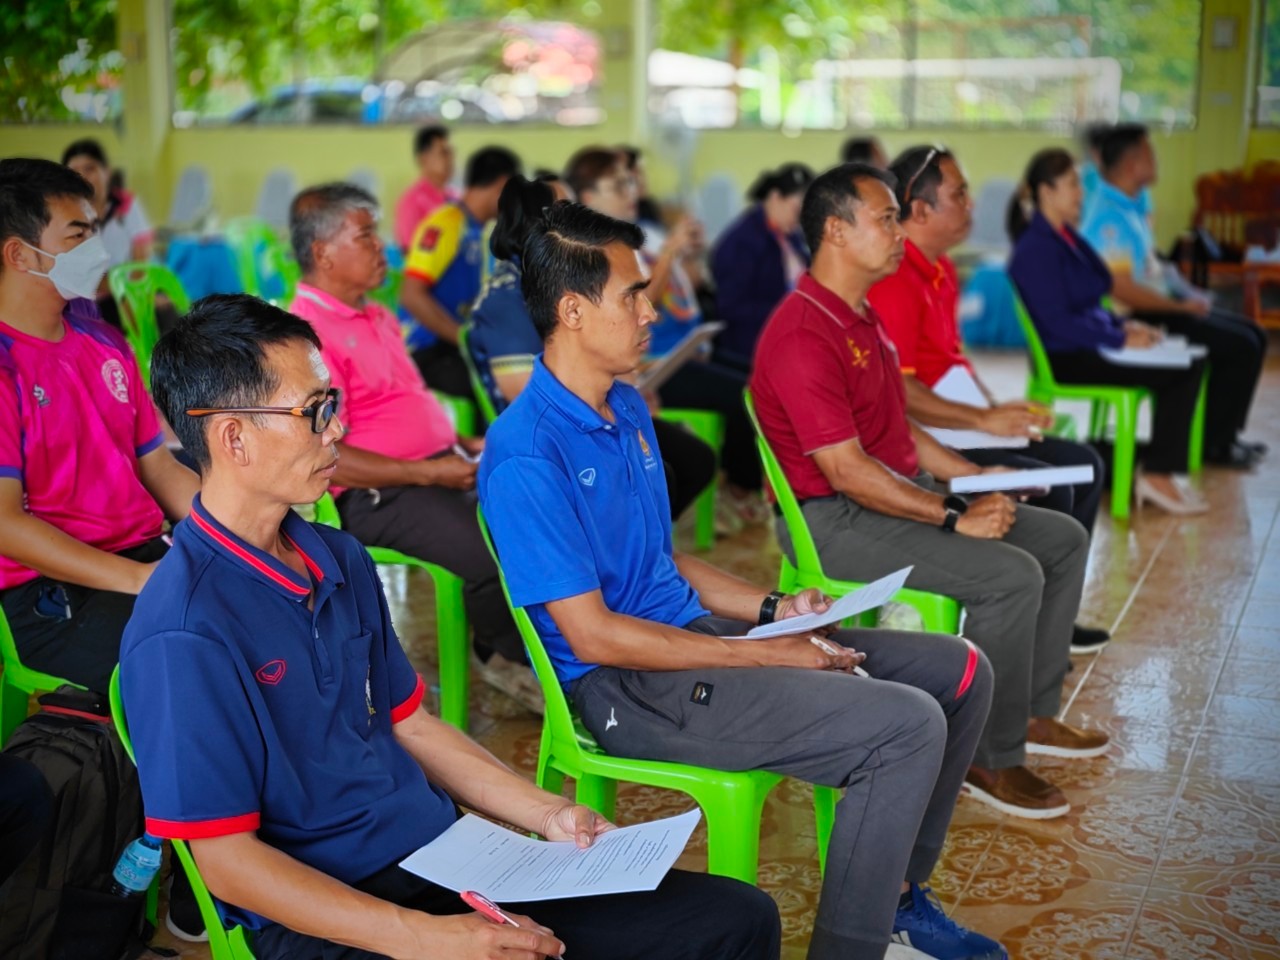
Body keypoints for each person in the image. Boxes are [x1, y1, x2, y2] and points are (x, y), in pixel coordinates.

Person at [124, 292, 780, 960]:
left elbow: (411, 724)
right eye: (314, 410)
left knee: (736, 918)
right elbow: (227, 863)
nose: (337, 429)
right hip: (334, 914)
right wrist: (428, 939)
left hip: (442, 860)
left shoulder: (338, 557)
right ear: (233, 437)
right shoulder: (184, 629)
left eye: (333, 404)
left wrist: (549, 813)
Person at [478, 200, 1006, 960]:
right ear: (572, 311)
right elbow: (593, 635)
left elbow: (659, 562)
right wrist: (760, 653)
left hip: (695, 641)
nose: (652, 310)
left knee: (959, 672)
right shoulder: (528, 453)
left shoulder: (623, 407)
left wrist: (776, 609)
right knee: (905, 724)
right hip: (627, 685)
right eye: (633, 294)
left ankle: (895, 899)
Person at [751, 163, 1109, 821]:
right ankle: (988, 757)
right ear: (836, 231)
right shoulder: (804, 332)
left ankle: (1029, 713)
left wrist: (972, 477)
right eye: (886, 218)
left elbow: (901, 429)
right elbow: (847, 471)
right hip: (835, 520)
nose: (899, 233)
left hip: (889, 494)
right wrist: (951, 512)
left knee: (1061, 539)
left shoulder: (860, 316)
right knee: (1010, 577)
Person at [287, 182, 534, 706]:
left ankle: (545, 645)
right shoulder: (308, 336)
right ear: (323, 253)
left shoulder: (376, 315)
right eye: (366, 236)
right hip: (375, 494)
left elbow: (404, 405)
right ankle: (507, 658)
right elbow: (326, 457)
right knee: (493, 550)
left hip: (433, 470)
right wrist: (430, 472)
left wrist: (460, 443)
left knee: (537, 515)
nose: (383, 247)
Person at [868, 145, 1112, 654]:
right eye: (959, 194)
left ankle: (1054, 623)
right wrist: (983, 418)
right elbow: (900, 393)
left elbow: (949, 363)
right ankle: (1028, 633)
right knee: (1051, 487)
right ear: (920, 210)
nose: (972, 204)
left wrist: (996, 411)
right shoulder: (896, 279)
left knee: (1085, 465)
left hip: (955, 426)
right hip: (924, 440)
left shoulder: (938, 270)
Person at [0, 158, 198, 694]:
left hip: (144, 559)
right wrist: (140, 581)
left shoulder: (105, 344)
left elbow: (159, 467)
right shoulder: (5, 366)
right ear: (20, 255)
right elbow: (5, 524)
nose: (99, 250)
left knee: (271, 614)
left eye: (95, 229)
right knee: (199, 664)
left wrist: (236, 525)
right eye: (78, 235)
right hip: (54, 594)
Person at [467, 174, 717, 522]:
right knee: (661, 474)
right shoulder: (508, 296)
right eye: (565, 211)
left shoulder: (555, 280)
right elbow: (525, 391)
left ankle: (633, 543)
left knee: (691, 461)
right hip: (558, 429)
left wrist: (624, 390)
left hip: (593, 411)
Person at [567, 146, 766, 529]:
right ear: (588, 197)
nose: (632, 192)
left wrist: (682, 254)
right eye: (619, 185)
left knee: (759, 379)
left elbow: (689, 285)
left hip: (679, 350)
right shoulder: (593, 253)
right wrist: (670, 252)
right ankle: (737, 491)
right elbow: (638, 310)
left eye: (631, 183)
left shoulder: (634, 236)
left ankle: (741, 487)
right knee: (743, 395)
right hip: (649, 363)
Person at [1008, 148, 1208, 514]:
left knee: (1187, 362)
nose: (1080, 192)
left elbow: (1089, 301)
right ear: (1047, 192)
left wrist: (1122, 324)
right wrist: (1119, 338)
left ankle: (1154, 469)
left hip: (1088, 343)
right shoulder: (1035, 248)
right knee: (1181, 372)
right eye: (1072, 184)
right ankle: (1156, 475)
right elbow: (1058, 321)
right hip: (1068, 357)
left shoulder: (1066, 237)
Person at [1080, 123, 1266, 468]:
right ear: (1132, 164)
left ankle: (1224, 437)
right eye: (1150, 154)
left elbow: (1156, 268)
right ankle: (1214, 444)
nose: (1157, 161)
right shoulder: (1109, 217)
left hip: (1160, 308)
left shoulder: (1131, 207)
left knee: (1253, 334)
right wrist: (1179, 306)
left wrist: (1191, 295)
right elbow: (1122, 289)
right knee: (1240, 346)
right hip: (1137, 318)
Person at [400, 145, 521, 400]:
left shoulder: (479, 230)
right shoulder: (447, 223)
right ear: (502, 184)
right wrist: (463, 338)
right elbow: (411, 295)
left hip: (452, 347)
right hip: (426, 350)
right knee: (497, 388)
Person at [709, 163, 813, 372]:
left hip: (789, 335)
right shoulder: (742, 243)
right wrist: (789, 312)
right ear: (775, 198)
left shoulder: (789, 236)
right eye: (797, 211)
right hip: (753, 347)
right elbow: (731, 306)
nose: (800, 220)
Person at [60, 138, 154, 330]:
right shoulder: (63, 214)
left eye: (90, 168)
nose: (82, 176)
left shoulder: (126, 206)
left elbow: (141, 262)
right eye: (74, 171)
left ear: (107, 172)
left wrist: (130, 295)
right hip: (83, 300)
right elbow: (74, 275)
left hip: (124, 295)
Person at [393, 125, 457, 253]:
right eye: (443, 153)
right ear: (423, 158)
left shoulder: (456, 197)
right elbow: (409, 250)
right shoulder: (412, 201)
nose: (450, 159)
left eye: (450, 152)